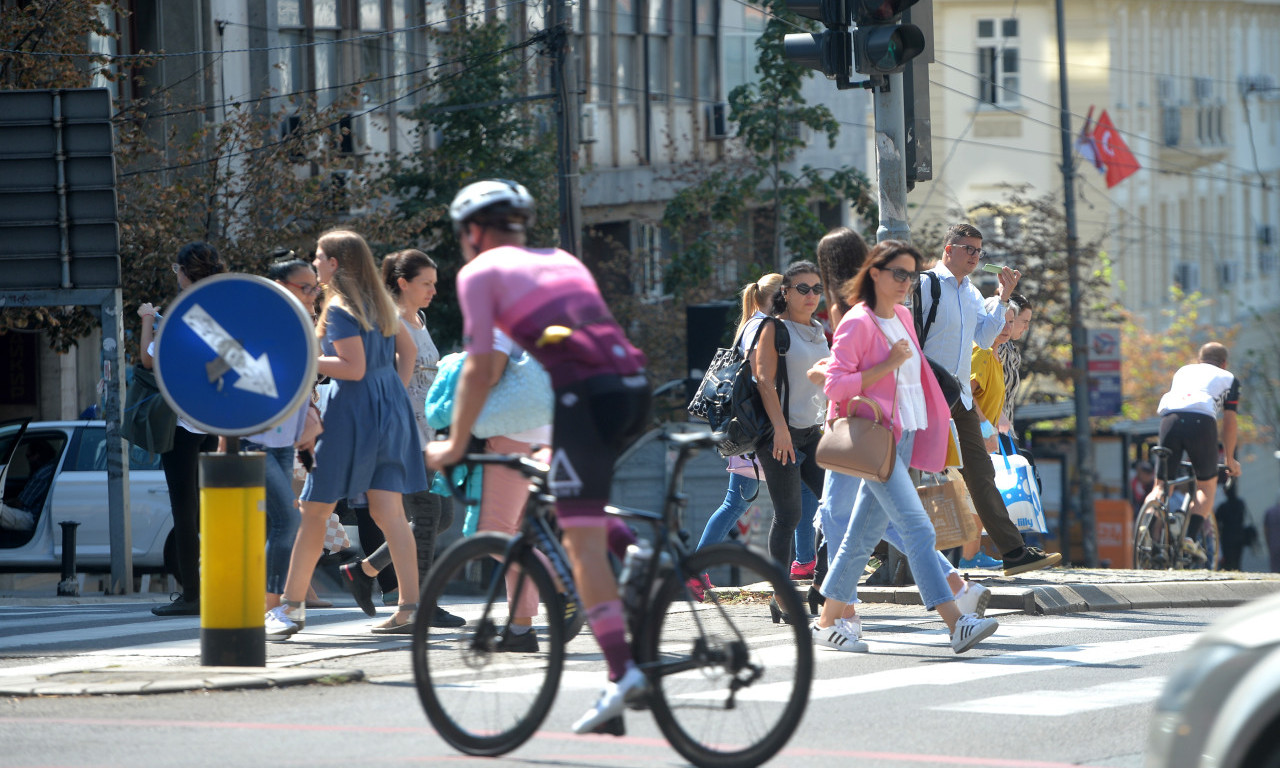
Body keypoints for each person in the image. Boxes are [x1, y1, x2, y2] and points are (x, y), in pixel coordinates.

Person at [425, 179, 650, 735]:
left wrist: (455, 442)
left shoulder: (479, 272)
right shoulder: (561, 258)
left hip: (583, 396)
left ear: (473, 231)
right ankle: (644, 556)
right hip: (633, 388)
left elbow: (480, 367)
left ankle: (623, 673)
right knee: (573, 503)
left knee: (582, 548)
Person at [813, 240, 999, 654]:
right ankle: (956, 622)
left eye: (912, 275)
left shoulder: (900, 316)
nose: (906, 283)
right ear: (874, 273)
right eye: (898, 273)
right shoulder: (857, 322)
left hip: (905, 434)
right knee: (917, 527)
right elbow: (836, 386)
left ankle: (827, 620)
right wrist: (885, 366)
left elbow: (916, 381)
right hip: (874, 439)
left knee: (861, 537)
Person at [265, 229, 429, 637]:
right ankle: (410, 609)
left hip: (351, 413)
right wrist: (387, 388)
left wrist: (306, 358)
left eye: (319, 256)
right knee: (390, 514)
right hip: (389, 408)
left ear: (335, 263)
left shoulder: (339, 307)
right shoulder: (380, 304)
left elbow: (351, 367)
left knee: (315, 509)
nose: (315, 262)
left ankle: (290, 608)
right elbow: (405, 353)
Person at [916, 224, 1060, 576]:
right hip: (927, 394)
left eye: (980, 251)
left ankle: (1013, 552)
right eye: (969, 249)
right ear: (948, 249)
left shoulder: (971, 293)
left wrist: (1004, 297)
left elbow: (984, 336)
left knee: (981, 476)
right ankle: (881, 554)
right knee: (905, 474)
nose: (976, 257)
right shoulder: (926, 284)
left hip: (959, 396)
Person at [338, 249, 465, 629]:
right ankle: (419, 604)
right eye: (426, 283)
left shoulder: (419, 319)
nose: (432, 291)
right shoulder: (388, 322)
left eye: (435, 284)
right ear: (402, 283)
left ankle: (365, 570)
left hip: (430, 429)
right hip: (403, 429)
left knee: (440, 518)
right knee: (426, 516)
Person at [689, 274, 820, 598]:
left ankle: (804, 560)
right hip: (760, 432)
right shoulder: (764, 327)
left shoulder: (755, 323)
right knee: (740, 501)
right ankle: (695, 568)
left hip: (757, 428)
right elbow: (764, 382)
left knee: (798, 494)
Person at [138, 242, 226, 616]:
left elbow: (148, 359)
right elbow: (230, 357)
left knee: (185, 509)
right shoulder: (222, 306)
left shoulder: (184, 311)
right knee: (211, 507)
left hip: (183, 422)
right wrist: (207, 378)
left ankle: (192, 594)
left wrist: (146, 319)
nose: (176, 276)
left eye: (177, 269)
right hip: (214, 418)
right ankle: (221, 585)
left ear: (185, 273)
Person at [752, 261, 830, 615]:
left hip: (813, 432)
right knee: (789, 515)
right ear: (785, 292)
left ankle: (821, 586)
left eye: (816, 289)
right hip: (777, 434)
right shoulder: (774, 328)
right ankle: (781, 595)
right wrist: (781, 429)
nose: (811, 295)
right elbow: (763, 380)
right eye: (803, 288)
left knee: (836, 509)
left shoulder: (818, 330)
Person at [243, 255, 316, 611]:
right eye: (306, 288)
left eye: (317, 288)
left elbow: (303, 384)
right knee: (288, 519)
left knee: (274, 521)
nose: (313, 294)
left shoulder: (303, 324)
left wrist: (312, 415)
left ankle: (265, 601)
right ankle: (272, 605)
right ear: (279, 287)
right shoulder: (261, 324)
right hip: (252, 439)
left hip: (283, 441)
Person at [1146, 341, 1242, 562]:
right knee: (1206, 485)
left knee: (1161, 485)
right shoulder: (1229, 378)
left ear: (1199, 360)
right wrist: (1229, 459)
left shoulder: (1183, 371)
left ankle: (1148, 532)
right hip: (1201, 422)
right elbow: (1229, 423)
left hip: (1169, 420)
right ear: (1224, 363)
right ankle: (1189, 538)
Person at [957, 296, 1016, 569]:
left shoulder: (994, 354)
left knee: (976, 495)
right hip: (970, 433)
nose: (1005, 326)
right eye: (1001, 320)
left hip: (979, 432)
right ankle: (968, 557)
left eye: (1011, 322)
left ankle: (971, 555)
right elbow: (967, 391)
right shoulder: (981, 351)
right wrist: (984, 428)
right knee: (977, 494)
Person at [0, 439, 57, 533]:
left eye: (28, 456)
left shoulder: (41, 474)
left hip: (31, 518)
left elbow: (19, 503)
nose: (28, 460)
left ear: (37, 455)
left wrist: (4, 502)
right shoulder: (49, 469)